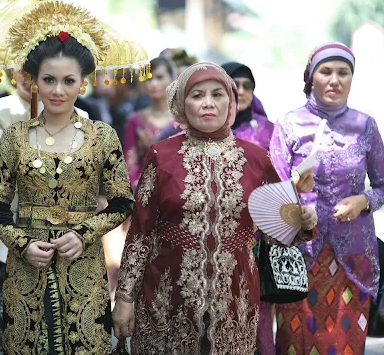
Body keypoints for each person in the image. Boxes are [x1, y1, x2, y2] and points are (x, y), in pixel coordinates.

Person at [112, 62, 318, 354]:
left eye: (217, 94)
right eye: (197, 95)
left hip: (235, 302)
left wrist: (303, 220)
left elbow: (279, 233)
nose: (208, 103)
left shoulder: (257, 159)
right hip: (166, 302)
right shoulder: (162, 155)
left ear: (231, 101)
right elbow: (141, 232)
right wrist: (125, 298)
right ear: (183, 103)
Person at [0, 1, 134, 354]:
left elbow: (122, 201)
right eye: (48, 80)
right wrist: (22, 244)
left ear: (83, 83)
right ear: (33, 80)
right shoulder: (15, 136)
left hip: (82, 262)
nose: (57, 90)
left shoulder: (102, 135)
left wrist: (84, 235)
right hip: (26, 264)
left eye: (68, 81)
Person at [270, 42, 384, 355]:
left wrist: (363, 201)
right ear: (311, 77)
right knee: (297, 343)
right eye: (326, 71)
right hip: (300, 256)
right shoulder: (288, 124)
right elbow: (272, 195)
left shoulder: (365, 125)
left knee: (345, 343)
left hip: (353, 258)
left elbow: (383, 185)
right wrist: (297, 193)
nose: (335, 80)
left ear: (351, 79)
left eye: (343, 73)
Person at [0, 67, 89, 354]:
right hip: (7, 238)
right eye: (24, 67)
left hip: (61, 238)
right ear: (12, 70)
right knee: (7, 330)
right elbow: (4, 163)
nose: (30, 76)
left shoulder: (81, 118)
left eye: (39, 69)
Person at [221, 61, 275, 354]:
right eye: (234, 85)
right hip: (211, 238)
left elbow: (278, 182)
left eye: (247, 86)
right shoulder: (203, 130)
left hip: (255, 239)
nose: (240, 91)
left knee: (257, 316)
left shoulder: (267, 130)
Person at [123, 57, 177, 189]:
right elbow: (129, 160)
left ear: (172, 80)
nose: (153, 83)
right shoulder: (135, 119)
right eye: (149, 78)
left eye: (159, 77)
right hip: (143, 190)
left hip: (178, 188)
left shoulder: (183, 120)